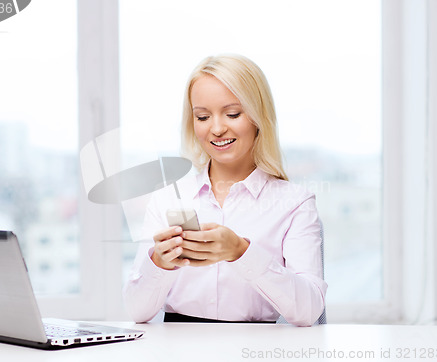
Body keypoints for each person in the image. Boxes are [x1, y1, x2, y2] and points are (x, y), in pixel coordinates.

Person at [123, 54, 327, 326]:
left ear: (258, 118)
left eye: (232, 114)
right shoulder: (168, 198)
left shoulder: (295, 203)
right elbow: (137, 312)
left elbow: (308, 312)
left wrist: (241, 252)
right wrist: (160, 263)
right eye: (203, 116)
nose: (217, 129)